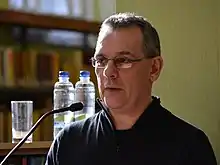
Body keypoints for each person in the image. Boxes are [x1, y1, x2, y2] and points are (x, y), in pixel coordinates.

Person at [45, 12, 217, 165]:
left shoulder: (189, 145)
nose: (108, 72)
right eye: (102, 61)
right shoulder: (68, 142)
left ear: (154, 68)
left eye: (123, 60)